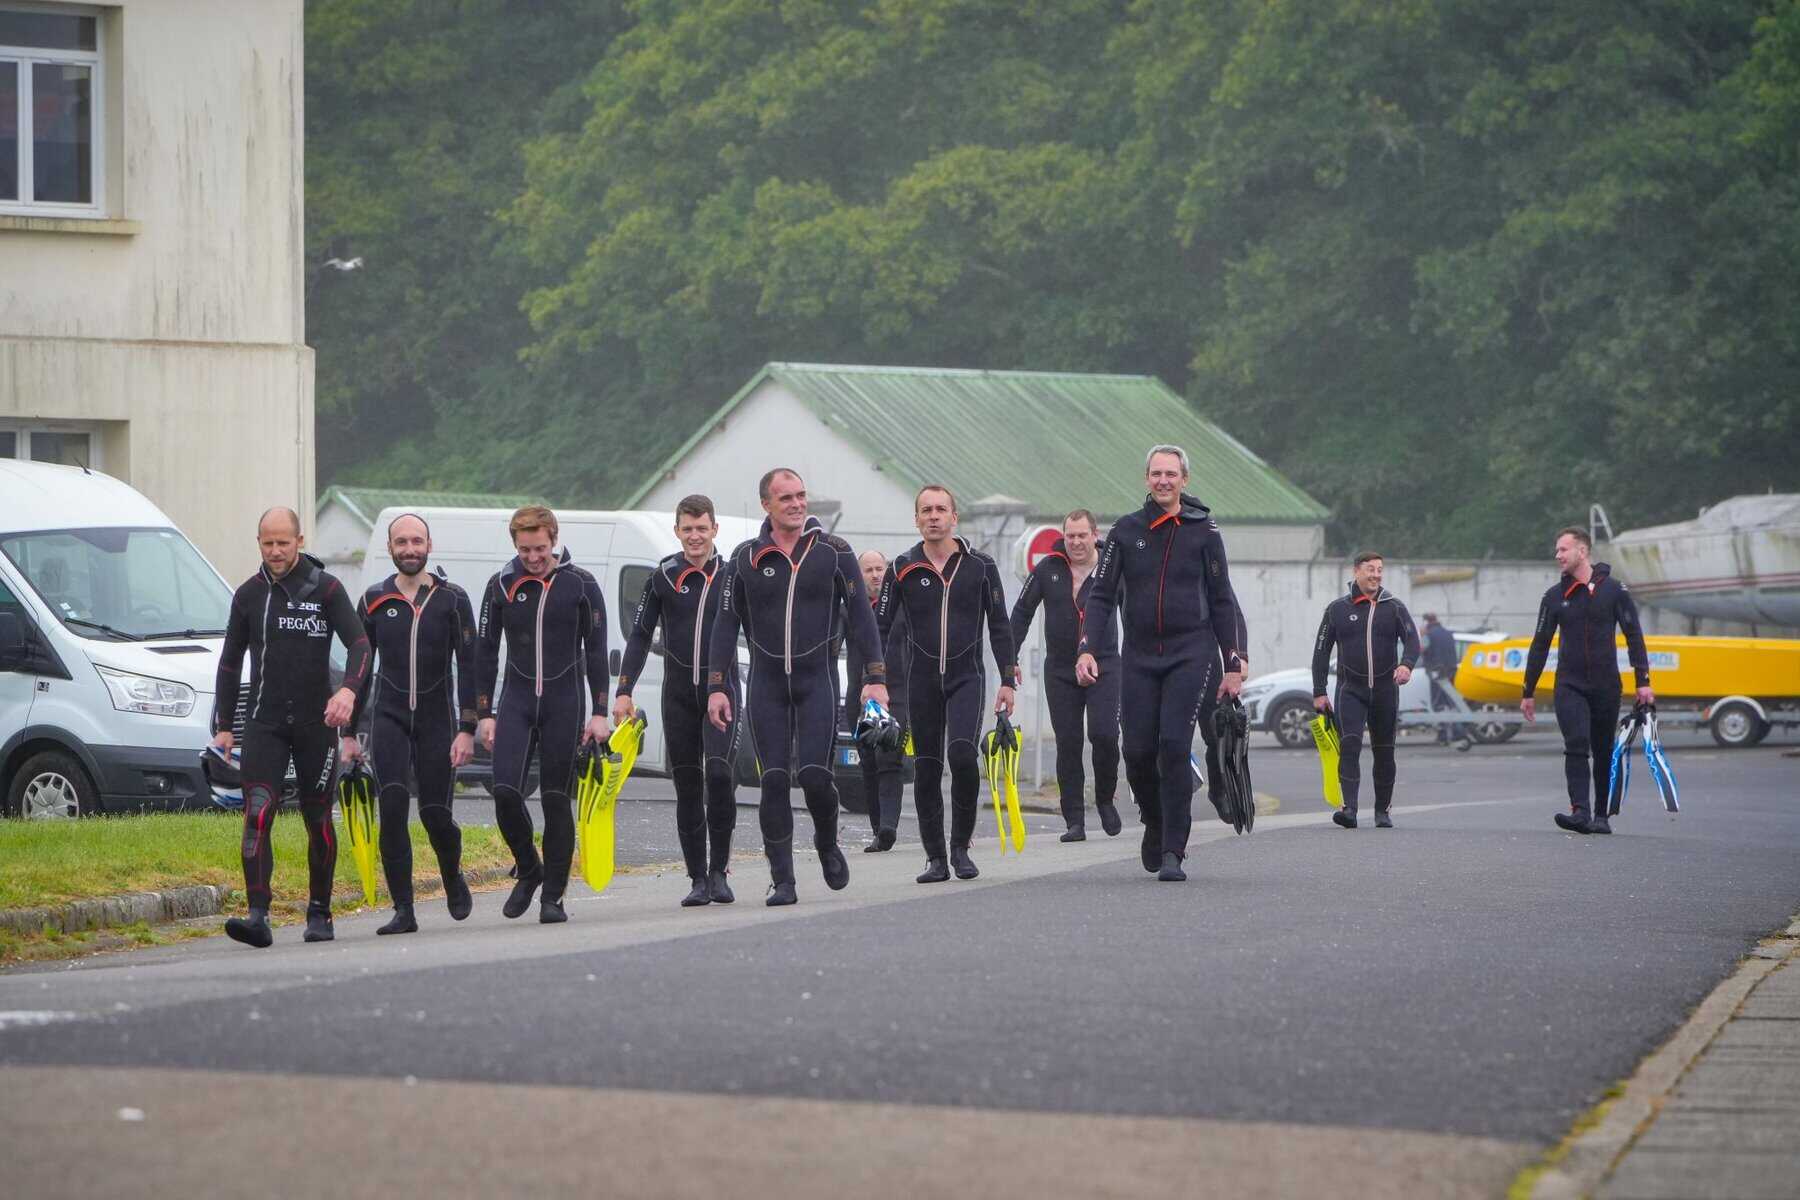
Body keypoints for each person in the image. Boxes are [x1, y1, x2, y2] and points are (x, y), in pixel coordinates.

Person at [707, 469, 889, 906]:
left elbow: (862, 617)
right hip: (767, 683)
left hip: (817, 680)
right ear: (767, 505)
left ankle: (827, 842)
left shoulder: (833, 552)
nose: (796, 503)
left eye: (801, 495)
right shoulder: (745, 558)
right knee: (772, 780)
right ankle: (783, 879)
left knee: (814, 776)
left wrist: (876, 679)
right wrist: (717, 686)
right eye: (785, 497)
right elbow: (724, 623)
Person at [1076, 446, 1247, 882]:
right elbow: (1100, 595)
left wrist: (1232, 662)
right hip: (1138, 654)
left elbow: (1223, 599)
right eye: (1157, 474)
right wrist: (1089, 647)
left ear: (1184, 480)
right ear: (1146, 479)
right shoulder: (1125, 531)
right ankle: (1154, 822)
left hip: (1191, 652)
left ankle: (1174, 847)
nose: (1164, 481)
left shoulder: (1204, 532)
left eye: (1172, 474)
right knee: (1136, 751)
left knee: (1173, 746)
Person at [211, 508, 371, 948]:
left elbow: (360, 644)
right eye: (268, 543)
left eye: (284, 542)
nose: (276, 551)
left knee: (317, 816)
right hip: (264, 723)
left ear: (299, 540)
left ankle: (320, 911)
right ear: (258, 542)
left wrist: (348, 693)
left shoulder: (326, 589)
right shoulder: (247, 595)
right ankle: (257, 916)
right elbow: (229, 661)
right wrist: (226, 725)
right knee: (257, 812)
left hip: (315, 724)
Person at [341, 513, 478, 934]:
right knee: (394, 810)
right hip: (390, 717)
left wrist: (467, 727)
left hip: (438, 719)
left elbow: (470, 665)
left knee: (436, 814)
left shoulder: (452, 599)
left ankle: (452, 875)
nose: (410, 549)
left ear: (429, 545)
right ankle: (404, 910)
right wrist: (347, 733)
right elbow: (361, 668)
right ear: (390, 548)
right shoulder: (373, 600)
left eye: (417, 541)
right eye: (401, 542)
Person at [475, 506, 611, 923]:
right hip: (516, 702)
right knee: (504, 793)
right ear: (513, 544)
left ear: (553, 539)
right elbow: (485, 652)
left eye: (539, 549)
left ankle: (553, 896)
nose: (532, 558)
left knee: (555, 802)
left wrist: (601, 711)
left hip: (563, 703)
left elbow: (596, 652)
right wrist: (484, 713)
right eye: (523, 550)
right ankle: (529, 868)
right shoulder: (501, 584)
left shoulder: (581, 584)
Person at [877, 486, 1019, 882]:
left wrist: (1008, 679)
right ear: (917, 519)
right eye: (927, 510)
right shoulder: (901, 567)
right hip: (919, 681)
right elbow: (881, 627)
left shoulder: (980, 566)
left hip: (966, 677)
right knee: (926, 767)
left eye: (941, 509)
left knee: (961, 756)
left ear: (954, 517)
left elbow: (1000, 625)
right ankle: (935, 857)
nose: (934, 516)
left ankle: (961, 848)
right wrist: (877, 680)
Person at [613, 495, 740, 907]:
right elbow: (639, 634)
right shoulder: (664, 576)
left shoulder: (732, 575)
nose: (695, 536)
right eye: (688, 528)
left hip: (722, 693)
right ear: (677, 531)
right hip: (679, 693)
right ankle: (698, 878)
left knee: (719, 776)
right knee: (687, 785)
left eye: (702, 528)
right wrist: (624, 690)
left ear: (714, 530)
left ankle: (720, 870)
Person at [1520, 527, 1653, 835]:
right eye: (1556, 551)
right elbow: (1539, 644)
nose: (1557, 556)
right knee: (1576, 742)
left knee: (1604, 748)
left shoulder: (1615, 591)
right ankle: (1580, 810)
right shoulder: (1554, 597)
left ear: (1582, 551)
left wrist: (1643, 680)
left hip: (1606, 684)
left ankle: (1602, 816)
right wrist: (1528, 691)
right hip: (1569, 683)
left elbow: (1634, 636)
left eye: (1563, 550)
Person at [1010, 509, 1122, 841]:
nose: (1075, 542)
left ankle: (1104, 798)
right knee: (1068, 742)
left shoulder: (1112, 568)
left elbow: (1134, 610)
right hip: (1060, 669)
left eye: (1081, 535)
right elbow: (1021, 612)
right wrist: (1009, 657)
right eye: (1069, 536)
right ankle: (1074, 819)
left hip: (1105, 664)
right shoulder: (1048, 568)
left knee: (1103, 735)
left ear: (1094, 534)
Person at [1311, 552, 1420, 829]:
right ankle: (1349, 809)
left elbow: (1412, 640)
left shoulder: (1393, 607)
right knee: (1349, 745)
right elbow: (1321, 651)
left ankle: (1382, 811)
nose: (1376, 574)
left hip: (1385, 691)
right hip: (1351, 690)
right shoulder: (1336, 609)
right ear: (1356, 572)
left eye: (1380, 570)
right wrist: (1319, 690)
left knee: (1384, 751)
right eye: (1370, 569)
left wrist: (1406, 665)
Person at [846, 548, 907, 853]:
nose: (875, 575)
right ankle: (877, 828)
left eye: (879, 568)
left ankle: (888, 827)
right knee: (869, 760)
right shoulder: (850, 608)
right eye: (868, 570)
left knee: (889, 758)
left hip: (895, 692)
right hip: (858, 695)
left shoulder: (901, 607)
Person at [1418, 612, 1471, 748]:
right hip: (1451, 672)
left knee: (1440, 705)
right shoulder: (1448, 633)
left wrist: (1422, 635)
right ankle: (1449, 735)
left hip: (1437, 673)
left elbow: (1421, 649)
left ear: (1426, 622)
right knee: (1452, 702)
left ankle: (1452, 735)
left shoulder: (1429, 635)